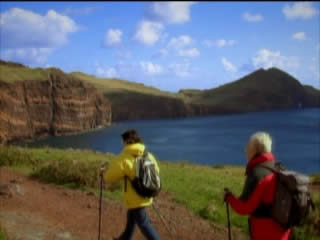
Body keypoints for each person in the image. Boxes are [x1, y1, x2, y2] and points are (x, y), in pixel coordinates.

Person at [224, 131, 292, 240]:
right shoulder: (280, 168)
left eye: (248, 146)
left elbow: (244, 207)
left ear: (254, 150)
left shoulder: (257, 173)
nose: (246, 150)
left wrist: (229, 198)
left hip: (264, 233)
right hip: (283, 232)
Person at [101, 129, 161, 240]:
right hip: (146, 193)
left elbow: (109, 177)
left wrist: (103, 173)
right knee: (131, 218)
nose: (122, 144)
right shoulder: (148, 154)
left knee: (144, 225)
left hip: (135, 198)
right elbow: (156, 171)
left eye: (123, 141)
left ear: (127, 141)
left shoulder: (125, 157)